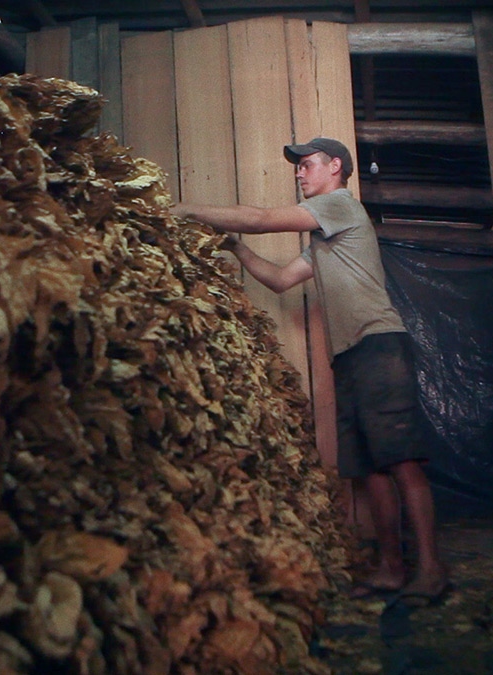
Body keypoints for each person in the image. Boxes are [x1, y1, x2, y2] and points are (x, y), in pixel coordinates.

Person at [172, 137, 449, 602]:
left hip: (380, 346)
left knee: (401, 461)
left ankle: (433, 569)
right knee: (372, 469)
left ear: (335, 167)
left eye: (307, 165)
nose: (299, 174)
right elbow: (281, 280)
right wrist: (234, 249)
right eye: (297, 168)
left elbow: (262, 220)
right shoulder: (326, 239)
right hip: (351, 355)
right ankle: (392, 569)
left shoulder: (340, 205)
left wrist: (187, 210)